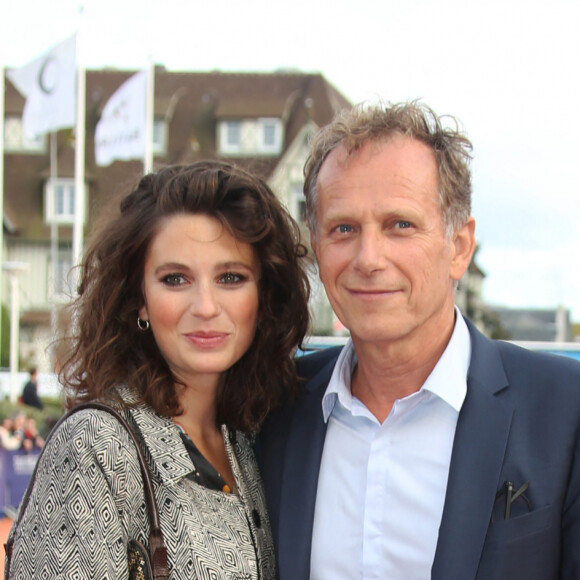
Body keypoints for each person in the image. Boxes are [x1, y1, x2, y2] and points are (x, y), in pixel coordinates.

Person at [256, 101, 580, 579]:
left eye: (399, 225)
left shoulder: (565, 409)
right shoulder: (270, 405)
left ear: (459, 247)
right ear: (318, 247)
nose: (368, 258)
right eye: (343, 229)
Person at [6, 161, 310, 579]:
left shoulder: (251, 438)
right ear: (140, 299)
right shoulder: (97, 447)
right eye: (174, 279)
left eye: (231, 277)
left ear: (263, 295)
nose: (205, 306)